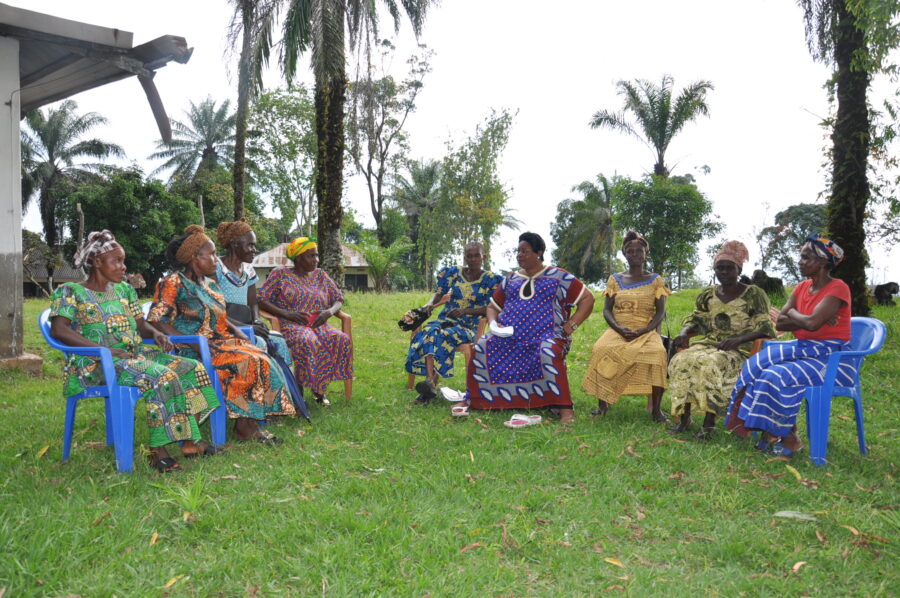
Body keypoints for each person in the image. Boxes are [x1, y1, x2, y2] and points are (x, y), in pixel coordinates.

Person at [50, 230, 221, 473]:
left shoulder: (124, 291)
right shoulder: (71, 291)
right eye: (117, 261)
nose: (123, 266)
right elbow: (59, 330)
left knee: (191, 368)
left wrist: (157, 333)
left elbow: (141, 326)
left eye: (123, 260)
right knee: (162, 376)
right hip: (95, 363)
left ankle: (190, 441)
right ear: (97, 262)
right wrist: (104, 350)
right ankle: (158, 451)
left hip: (133, 355)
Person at [148, 225, 294, 444]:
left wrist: (239, 333)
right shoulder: (172, 283)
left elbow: (222, 316)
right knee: (248, 360)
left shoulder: (210, 284)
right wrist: (193, 343)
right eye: (212, 254)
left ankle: (248, 422)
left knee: (262, 356)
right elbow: (157, 320)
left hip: (220, 342)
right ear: (194, 257)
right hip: (192, 348)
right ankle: (245, 427)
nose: (217, 259)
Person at [725, 234, 854, 457]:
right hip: (805, 351)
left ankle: (789, 439)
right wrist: (807, 317)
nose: (800, 261)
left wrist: (797, 314)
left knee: (775, 376)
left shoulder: (838, 288)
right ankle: (775, 432)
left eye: (806, 257)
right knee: (756, 367)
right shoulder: (802, 287)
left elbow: (811, 324)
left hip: (831, 361)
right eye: (801, 256)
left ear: (823, 262)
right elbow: (782, 321)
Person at [462, 232, 594, 424]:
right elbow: (492, 307)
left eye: (525, 251)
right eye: (518, 251)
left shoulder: (558, 277)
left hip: (547, 336)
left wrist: (571, 324)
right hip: (509, 336)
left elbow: (587, 298)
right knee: (483, 345)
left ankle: (565, 410)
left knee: (547, 351)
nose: (520, 255)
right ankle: (480, 400)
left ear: (539, 253)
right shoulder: (511, 279)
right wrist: (493, 323)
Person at [666, 241, 776, 440]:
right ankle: (684, 419)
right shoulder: (708, 294)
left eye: (729, 268)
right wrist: (684, 332)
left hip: (739, 349)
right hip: (710, 343)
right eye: (719, 267)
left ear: (738, 269)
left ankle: (708, 424)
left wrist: (739, 340)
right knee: (680, 361)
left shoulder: (753, 294)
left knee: (710, 364)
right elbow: (697, 321)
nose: (724, 271)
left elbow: (765, 327)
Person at [582, 231, 670, 422]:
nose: (635, 254)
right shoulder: (615, 279)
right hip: (618, 328)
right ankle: (602, 406)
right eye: (630, 251)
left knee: (657, 354)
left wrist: (645, 330)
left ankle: (656, 411)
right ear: (625, 254)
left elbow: (660, 312)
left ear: (646, 254)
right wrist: (618, 328)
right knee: (601, 349)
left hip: (645, 329)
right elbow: (607, 310)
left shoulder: (656, 280)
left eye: (639, 250)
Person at [257, 236, 353, 406]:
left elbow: (338, 298)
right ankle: (301, 391)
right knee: (308, 341)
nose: (316, 260)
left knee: (340, 339)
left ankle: (319, 388)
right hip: (292, 325)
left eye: (316, 255)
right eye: (311, 256)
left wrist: (328, 313)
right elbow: (262, 299)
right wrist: (286, 314)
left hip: (319, 323)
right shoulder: (280, 274)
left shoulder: (320, 275)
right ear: (298, 258)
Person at [406, 242, 502, 404]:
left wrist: (465, 311)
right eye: (469, 256)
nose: (472, 259)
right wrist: (430, 304)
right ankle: (430, 383)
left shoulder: (491, 280)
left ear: (483, 256)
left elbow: (492, 307)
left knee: (441, 335)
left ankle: (429, 386)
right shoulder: (453, 273)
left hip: (468, 326)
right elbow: (439, 293)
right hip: (446, 320)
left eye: (476, 255)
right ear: (464, 257)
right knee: (430, 331)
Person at [214, 219, 294, 368]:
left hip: (245, 325)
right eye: (250, 245)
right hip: (225, 327)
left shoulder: (248, 270)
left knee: (280, 342)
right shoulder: (216, 269)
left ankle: (287, 388)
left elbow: (253, 304)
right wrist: (249, 328)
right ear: (234, 244)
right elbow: (215, 311)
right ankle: (263, 386)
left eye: (254, 245)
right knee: (261, 343)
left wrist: (256, 320)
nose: (254, 250)